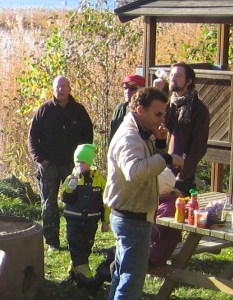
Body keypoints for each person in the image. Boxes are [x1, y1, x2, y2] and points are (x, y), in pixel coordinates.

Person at [103, 87, 183, 300]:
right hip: (131, 219)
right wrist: (167, 157)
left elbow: (146, 165)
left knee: (121, 276)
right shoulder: (129, 137)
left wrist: (159, 144)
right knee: (131, 284)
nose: (162, 119)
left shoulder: (140, 133)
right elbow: (135, 171)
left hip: (131, 214)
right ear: (140, 110)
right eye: (158, 114)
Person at [28, 76, 94, 250]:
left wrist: (83, 161)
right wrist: (41, 159)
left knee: (75, 203)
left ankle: (76, 240)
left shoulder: (79, 111)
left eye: (64, 86)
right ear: (53, 89)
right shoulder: (44, 110)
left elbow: (88, 137)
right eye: (58, 87)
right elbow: (32, 137)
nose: (61, 90)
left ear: (70, 89)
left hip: (73, 167)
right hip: (49, 166)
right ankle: (52, 242)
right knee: (49, 204)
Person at [61, 143, 109, 284]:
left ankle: (74, 273)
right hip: (73, 220)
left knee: (86, 246)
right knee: (75, 245)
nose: (80, 165)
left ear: (89, 162)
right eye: (77, 162)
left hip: (91, 220)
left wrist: (105, 221)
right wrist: (70, 188)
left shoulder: (99, 180)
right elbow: (65, 198)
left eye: (83, 162)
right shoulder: (71, 178)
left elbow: (106, 202)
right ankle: (86, 276)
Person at [166, 62, 210, 193]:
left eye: (178, 76)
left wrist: (183, 175)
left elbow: (199, 147)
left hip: (181, 176)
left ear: (189, 81)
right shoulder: (166, 105)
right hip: (160, 169)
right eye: (172, 75)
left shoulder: (198, 109)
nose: (173, 78)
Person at [148, 169, 183, 268]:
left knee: (117, 259)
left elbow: (155, 234)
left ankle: (104, 280)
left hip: (157, 252)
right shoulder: (169, 200)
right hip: (158, 248)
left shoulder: (167, 207)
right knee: (117, 254)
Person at [109, 74, 146, 141]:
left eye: (132, 89)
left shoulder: (145, 111)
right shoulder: (120, 109)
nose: (127, 91)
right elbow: (112, 134)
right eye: (125, 88)